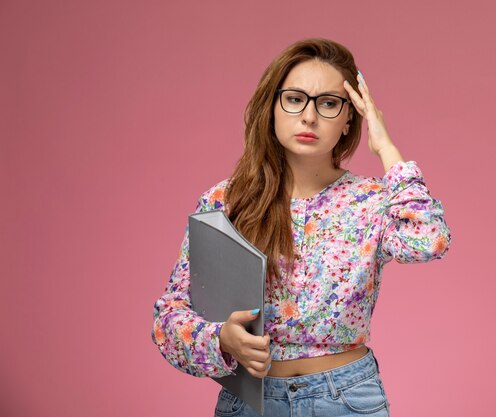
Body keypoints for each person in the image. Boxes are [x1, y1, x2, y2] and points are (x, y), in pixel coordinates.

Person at [151, 38, 452, 416]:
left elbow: (429, 239)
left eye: (328, 104)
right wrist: (221, 339)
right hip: (250, 403)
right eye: (294, 99)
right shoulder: (226, 202)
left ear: (348, 120)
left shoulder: (373, 200)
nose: (309, 116)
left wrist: (384, 145)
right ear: (273, 107)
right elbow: (169, 319)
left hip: (346, 399)